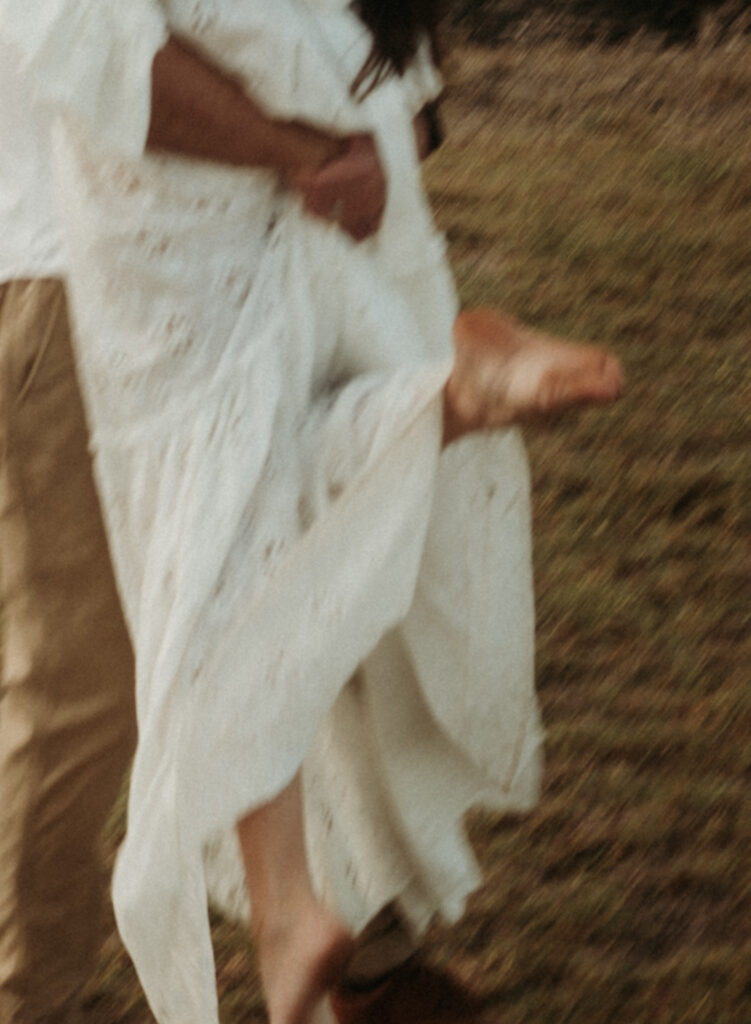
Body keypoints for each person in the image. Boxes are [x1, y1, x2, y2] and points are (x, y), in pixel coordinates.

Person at [2, 2, 622, 1023]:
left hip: (269, 230)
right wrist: (314, 143)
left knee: (313, 587)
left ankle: (358, 950)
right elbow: (92, 43)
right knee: (89, 687)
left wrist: (368, 126)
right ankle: (33, 999)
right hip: (72, 264)